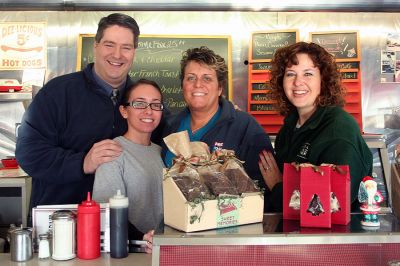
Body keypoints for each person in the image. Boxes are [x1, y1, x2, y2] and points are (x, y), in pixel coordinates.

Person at [15, 13, 140, 209]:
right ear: (96, 46)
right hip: (63, 219)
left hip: (125, 224)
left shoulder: (142, 101)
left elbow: (166, 146)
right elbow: (29, 153)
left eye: (126, 47)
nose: (117, 55)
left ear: (134, 52)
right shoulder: (57, 93)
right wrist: (83, 162)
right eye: (109, 45)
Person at [258, 41, 373, 211]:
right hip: (294, 234)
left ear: (323, 80)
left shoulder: (338, 128)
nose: (298, 82)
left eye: (308, 74)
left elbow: (332, 205)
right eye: (290, 74)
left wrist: (277, 186)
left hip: (332, 236)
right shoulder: (289, 128)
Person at [162, 46, 278, 212]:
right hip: (175, 227)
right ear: (182, 86)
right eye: (190, 78)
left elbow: (264, 192)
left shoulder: (246, 128)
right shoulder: (170, 125)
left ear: (220, 88)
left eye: (207, 78)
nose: (198, 85)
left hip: (226, 229)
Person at [93, 79, 164, 253]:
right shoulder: (112, 152)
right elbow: (106, 213)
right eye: (139, 104)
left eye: (155, 105)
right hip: (131, 253)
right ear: (124, 111)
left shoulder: (161, 152)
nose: (148, 111)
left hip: (162, 250)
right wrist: (141, 238)